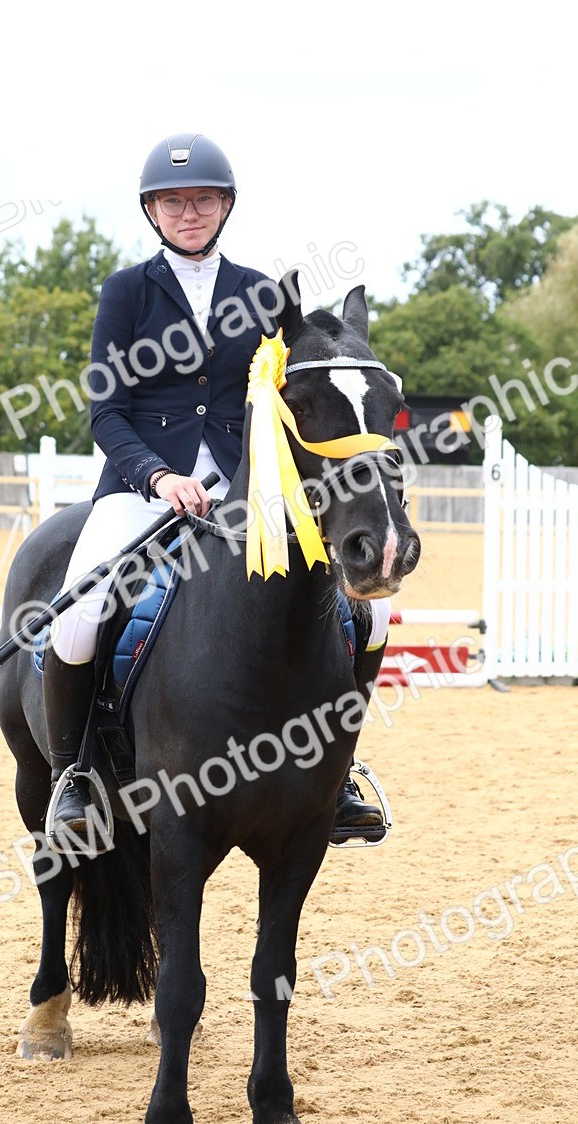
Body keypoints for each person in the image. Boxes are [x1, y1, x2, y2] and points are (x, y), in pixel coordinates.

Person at [43, 132, 390, 844]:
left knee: (372, 615)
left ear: (225, 205)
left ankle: (340, 771)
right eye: (173, 202)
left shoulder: (261, 293)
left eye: (203, 200)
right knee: (79, 612)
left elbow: (291, 392)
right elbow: (106, 410)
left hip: (250, 488)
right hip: (142, 486)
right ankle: (72, 776)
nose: (189, 213)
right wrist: (158, 475)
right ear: (152, 211)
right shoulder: (126, 292)